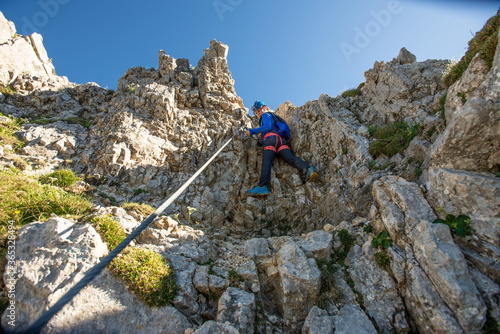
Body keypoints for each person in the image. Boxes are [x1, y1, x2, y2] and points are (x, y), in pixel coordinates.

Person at [244, 100, 317, 197]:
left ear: (264, 108)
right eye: (256, 113)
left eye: (259, 111)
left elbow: (267, 126)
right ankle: (309, 169)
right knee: (290, 159)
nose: (258, 114)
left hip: (271, 141)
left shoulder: (265, 115)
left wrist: (252, 131)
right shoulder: (273, 117)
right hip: (282, 141)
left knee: (267, 161)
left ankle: (262, 186)